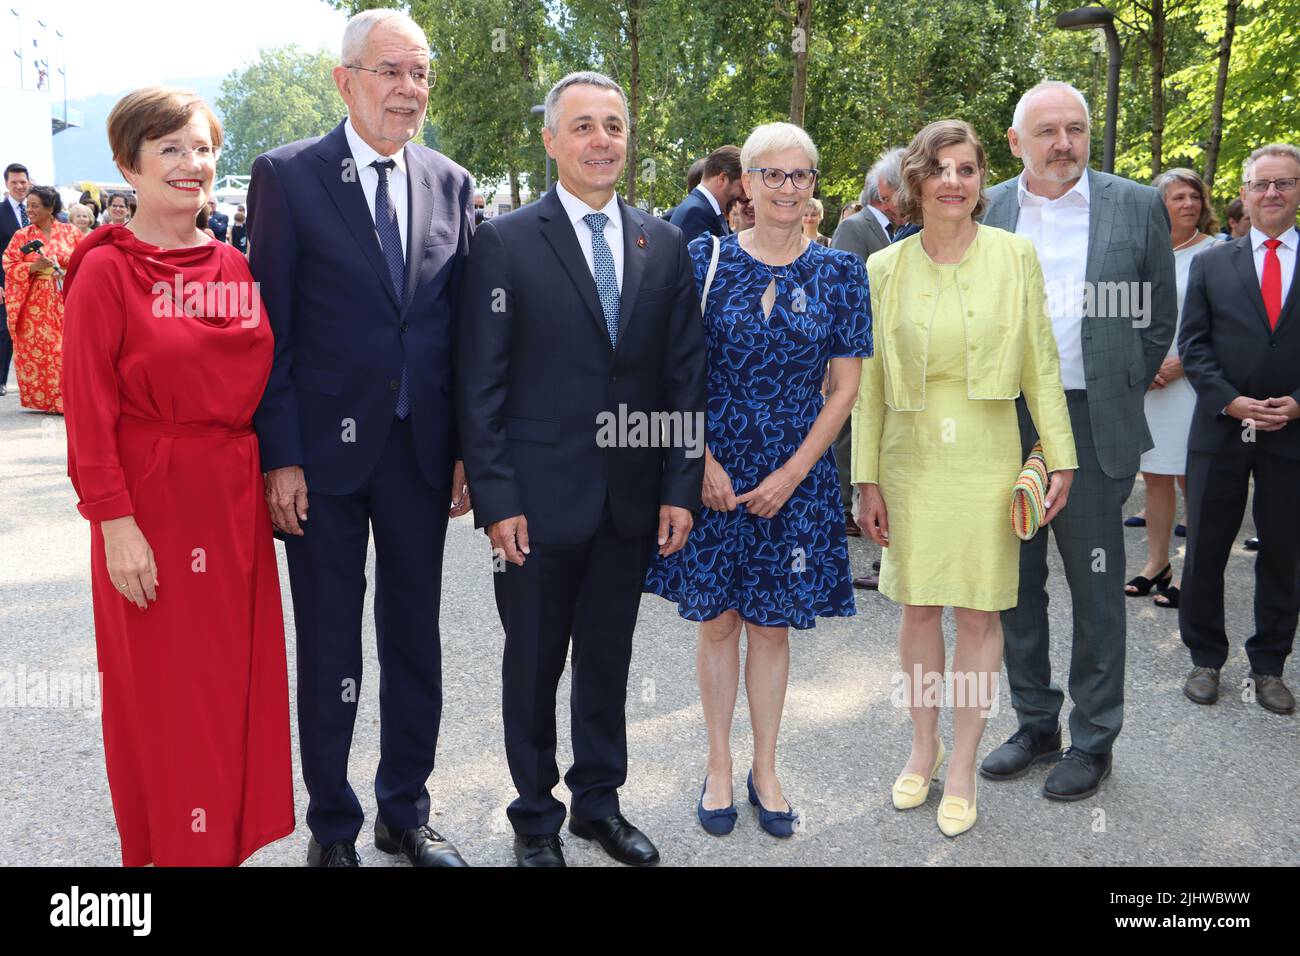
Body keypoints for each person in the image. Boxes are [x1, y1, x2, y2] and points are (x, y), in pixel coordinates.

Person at [458, 71, 706, 868]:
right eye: (584, 127)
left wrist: (677, 488)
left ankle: (598, 805)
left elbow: (681, 377)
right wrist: (496, 499)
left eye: (614, 126)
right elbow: (480, 383)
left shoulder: (663, 243)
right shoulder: (503, 241)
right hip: (533, 503)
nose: (602, 140)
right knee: (532, 664)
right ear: (551, 140)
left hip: (629, 505)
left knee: (608, 660)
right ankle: (535, 819)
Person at [248, 7, 474, 868]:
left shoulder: (451, 182)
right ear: (345, 80)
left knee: (415, 638)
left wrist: (462, 449)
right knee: (332, 645)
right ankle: (332, 827)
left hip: (419, 457)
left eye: (419, 73)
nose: (408, 89)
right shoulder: (289, 176)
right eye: (390, 71)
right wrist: (282, 454)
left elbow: (455, 331)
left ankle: (403, 815)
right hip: (323, 463)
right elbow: (271, 327)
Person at [60, 86, 294, 866]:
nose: (191, 165)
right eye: (169, 150)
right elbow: (89, 414)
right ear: (129, 164)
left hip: (230, 506)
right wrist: (115, 525)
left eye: (201, 148)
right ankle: (173, 851)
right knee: (163, 694)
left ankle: (220, 847)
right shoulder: (104, 273)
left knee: (227, 688)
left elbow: (258, 386)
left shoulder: (233, 262)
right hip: (150, 507)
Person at [646, 121, 871, 840]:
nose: (786, 188)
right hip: (713, 471)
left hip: (795, 479)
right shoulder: (703, 258)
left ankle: (765, 767)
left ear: (813, 187)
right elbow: (672, 371)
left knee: (772, 628)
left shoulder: (839, 273)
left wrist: (796, 473)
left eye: (799, 175)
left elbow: (844, 388)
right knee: (718, 623)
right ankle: (718, 763)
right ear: (746, 181)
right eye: (770, 174)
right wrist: (700, 460)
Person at [854, 120, 1076, 838]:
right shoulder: (882, 269)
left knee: (980, 616)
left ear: (982, 181)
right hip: (909, 462)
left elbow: (1041, 361)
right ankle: (924, 745)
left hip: (986, 459)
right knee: (919, 611)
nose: (954, 180)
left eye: (968, 168)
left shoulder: (1015, 257)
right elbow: (869, 385)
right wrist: (866, 480)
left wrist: (1059, 454)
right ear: (916, 182)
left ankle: (962, 764)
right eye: (940, 168)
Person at [979, 81, 1177, 800]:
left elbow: (1159, 317)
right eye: (1048, 131)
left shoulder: (1136, 204)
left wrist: (1121, 383)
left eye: (1076, 129)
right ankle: (1036, 722)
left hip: (1093, 424)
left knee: (1096, 585)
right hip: (1004, 421)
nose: (1064, 143)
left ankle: (1094, 738)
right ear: (1016, 142)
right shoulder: (988, 206)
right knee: (1013, 584)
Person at [1178, 143, 1300, 716]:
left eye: (1286, 183)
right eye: (1262, 184)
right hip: (1222, 429)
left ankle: (1270, 666)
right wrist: (1232, 403)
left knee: (1285, 550)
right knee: (1205, 546)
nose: (1273, 193)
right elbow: (1194, 347)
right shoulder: (1211, 263)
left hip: (1292, 432)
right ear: (1245, 194)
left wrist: (1296, 404)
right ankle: (1205, 658)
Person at [1124, 168, 1220, 610]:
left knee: (1192, 478)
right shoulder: (1140, 253)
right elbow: (1125, 315)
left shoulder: (1217, 253)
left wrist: (1181, 364)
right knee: (1157, 475)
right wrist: (1144, 364)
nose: (1188, 204)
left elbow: (1228, 323)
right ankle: (1156, 565)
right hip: (1151, 381)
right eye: (1177, 197)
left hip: (1195, 382)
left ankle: (1193, 572)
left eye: (1193, 196)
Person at [830, 149, 898, 587]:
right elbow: (847, 291)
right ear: (887, 191)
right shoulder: (856, 228)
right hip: (860, 352)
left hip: (887, 357)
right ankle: (839, 513)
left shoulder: (899, 231)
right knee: (846, 435)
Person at [3, 186, 79, 413]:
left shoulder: (71, 232)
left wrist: (66, 270)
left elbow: (87, 258)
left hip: (66, 295)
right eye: (28, 205)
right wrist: (32, 266)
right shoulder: (22, 235)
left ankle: (68, 398)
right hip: (35, 301)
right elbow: (9, 263)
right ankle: (48, 400)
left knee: (67, 347)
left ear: (51, 208)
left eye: (35, 206)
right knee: (43, 349)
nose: (30, 210)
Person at [0, 163, 33, 397]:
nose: (20, 186)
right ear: (6, 185)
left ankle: (35, 385)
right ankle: (1, 380)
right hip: (7, 283)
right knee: (4, 331)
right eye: (14, 183)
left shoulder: (39, 209)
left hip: (36, 282)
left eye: (23, 182)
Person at [670, 144, 743, 243]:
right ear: (722, 178)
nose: (745, 196)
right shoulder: (695, 214)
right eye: (742, 187)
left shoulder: (703, 210)